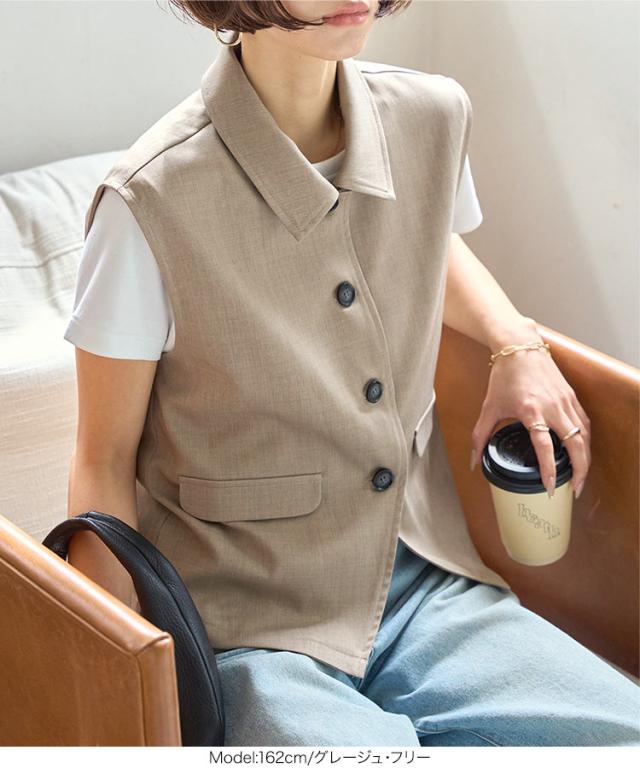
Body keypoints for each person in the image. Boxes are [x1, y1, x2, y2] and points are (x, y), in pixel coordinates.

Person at [64, 0, 640, 747]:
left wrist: (515, 343)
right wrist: (125, 693)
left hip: (417, 581)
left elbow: (425, 238)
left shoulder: (432, 116)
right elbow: (102, 462)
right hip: (242, 627)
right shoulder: (150, 200)